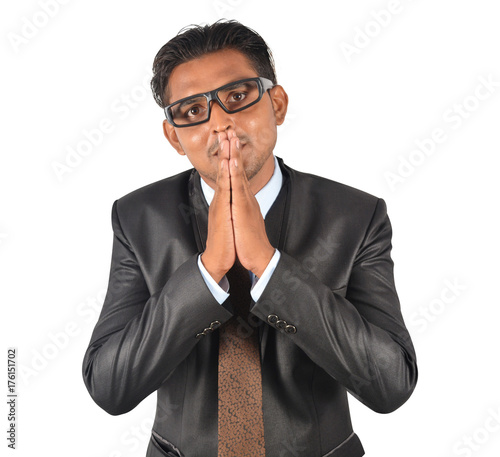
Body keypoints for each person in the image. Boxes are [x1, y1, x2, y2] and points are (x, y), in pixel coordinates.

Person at [82, 20, 418, 457]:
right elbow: (111, 387)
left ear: (276, 103)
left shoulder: (356, 216)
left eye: (237, 97)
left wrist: (269, 266)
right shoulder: (138, 217)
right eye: (191, 111)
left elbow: (390, 385)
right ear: (174, 137)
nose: (220, 122)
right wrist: (207, 272)